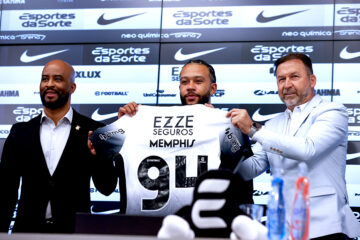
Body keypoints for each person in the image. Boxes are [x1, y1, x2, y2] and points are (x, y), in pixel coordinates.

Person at [89, 59, 254, 215]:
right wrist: (122, 127)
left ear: (213, 88)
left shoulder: (226, 126)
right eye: (184, 82)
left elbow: (244, 193)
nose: (190, 87)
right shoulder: (138, 120)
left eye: (198, 81)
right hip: (141, 228)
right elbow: (105, 188)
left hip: (201, 230)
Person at [227, 53, 360, 239]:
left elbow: (307, 149)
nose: (287, 84)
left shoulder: (332, 111)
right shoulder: (273, 124)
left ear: (312, 80)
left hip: (327, 228)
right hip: (285, 229)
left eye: (294, 77)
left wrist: (253, 129)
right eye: (281, 79)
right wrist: (221, 138)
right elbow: (251, 168)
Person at [0, 59, 117, 233]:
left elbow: (107, 189)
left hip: (75, 233)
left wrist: (100, 156)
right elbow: (6, 191)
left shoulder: (94, 131)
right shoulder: (20, 132)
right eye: (45, 79)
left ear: (72, 87)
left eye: (58, 79)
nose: (49, 84)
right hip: (26, 232)